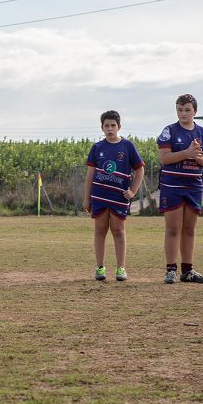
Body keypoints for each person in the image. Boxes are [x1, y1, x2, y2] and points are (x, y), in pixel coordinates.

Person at [157, 94, 203, 283]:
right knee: (173, 229)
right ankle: (171, 270)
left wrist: (197, 157)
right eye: (180, 110)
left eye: (187, 110)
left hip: (194, 186)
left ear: (195, 112)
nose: (183, 113)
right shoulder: (169, 131)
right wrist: (186, 153)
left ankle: (187, 270)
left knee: (189, 229)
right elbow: (164, 158)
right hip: (172, 186)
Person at [83, 110, 146, 282]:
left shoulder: (127, 146)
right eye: (106, 126)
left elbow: (140, 170)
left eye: (113, 125)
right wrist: (87, 197)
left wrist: (133, 191)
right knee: (100, 230)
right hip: (100, 196)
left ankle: (121, 268)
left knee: (118, 230)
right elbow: (90, 175)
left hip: (118, 197)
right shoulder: (97, 148)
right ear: (102, 127)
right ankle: (100, 267)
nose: (110, 129)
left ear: (119, 127)